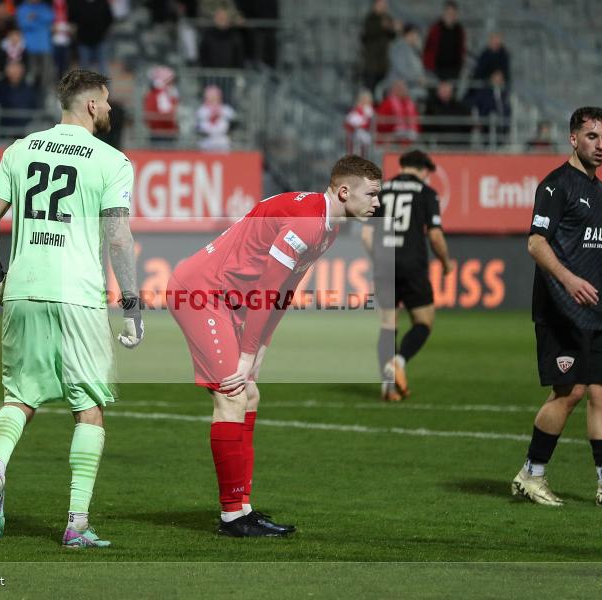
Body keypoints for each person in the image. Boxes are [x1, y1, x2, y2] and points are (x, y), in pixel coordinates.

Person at [166, 155, 382, 537]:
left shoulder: (327, 225)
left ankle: (243, 508)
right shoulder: (309, 223)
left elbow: (286, 288)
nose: (377, 203)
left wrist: (261, 345)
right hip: (202, 293)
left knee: (249, 395)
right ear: (345, 191)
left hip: (225, 298)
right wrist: (249, 350)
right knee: (232, 394)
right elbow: (268, 287)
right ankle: (233, 516)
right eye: (372, 194)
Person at [0, 69, 142, 548]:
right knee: (88, 409)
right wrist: (131, 303)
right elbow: (117, 237)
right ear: (91, 105)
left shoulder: (20, 149)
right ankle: (76, 524)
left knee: (19, 399)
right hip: (79, 295)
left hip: (23, 290)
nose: (110, 110)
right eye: (106, 102)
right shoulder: (112, 161)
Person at [511, 107, 602, 507]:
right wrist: (569, 280)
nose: (600, 145)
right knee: (569, 393)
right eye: (592, 137)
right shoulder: (556, 187)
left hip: (599, 311)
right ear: (573, 138)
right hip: (562, 308)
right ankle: (531, 475)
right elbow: (536, 243)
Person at [361, 150, 452, 402]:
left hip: (384, 266)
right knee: (424, 322)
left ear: (401, 167)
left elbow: (366, 236)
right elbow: (435, 235)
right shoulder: (426, 193)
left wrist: (379, 259)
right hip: (413, 265)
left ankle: (388, 386)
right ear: (423, 170)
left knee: (388, 324)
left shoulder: (381, 192)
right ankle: (399, 361)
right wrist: (446, 263)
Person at [358, 0, 398, 94]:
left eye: (385, 4)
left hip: (383, 62)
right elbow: (367, 34)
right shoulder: (370, 19)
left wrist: (393, 28)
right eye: (381, 4)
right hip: (371, 62)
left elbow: (393, 35)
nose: (383, 7)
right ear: (375, 5)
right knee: (369, 89)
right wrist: (382, 26)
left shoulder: (387, 18)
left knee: (383, 90)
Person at [422, 1, 465, 81]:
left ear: (456, 14)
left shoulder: (459, 30)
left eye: (453, 13)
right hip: (436, 70)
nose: (451, 15)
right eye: (448, 12)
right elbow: (428, 48)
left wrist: (460, 66)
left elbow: (461, 49)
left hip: (454, 71)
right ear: (444, 13)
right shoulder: (435, 29)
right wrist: (428, 67)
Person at [195, 84, 236, 152]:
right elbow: (198, 125)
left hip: (222, 141)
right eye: (210, 96)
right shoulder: (202, 109)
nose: (212, 98)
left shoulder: (226, 109)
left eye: (214, 96)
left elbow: (233, 120)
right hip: (207, 140)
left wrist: (219, 113)